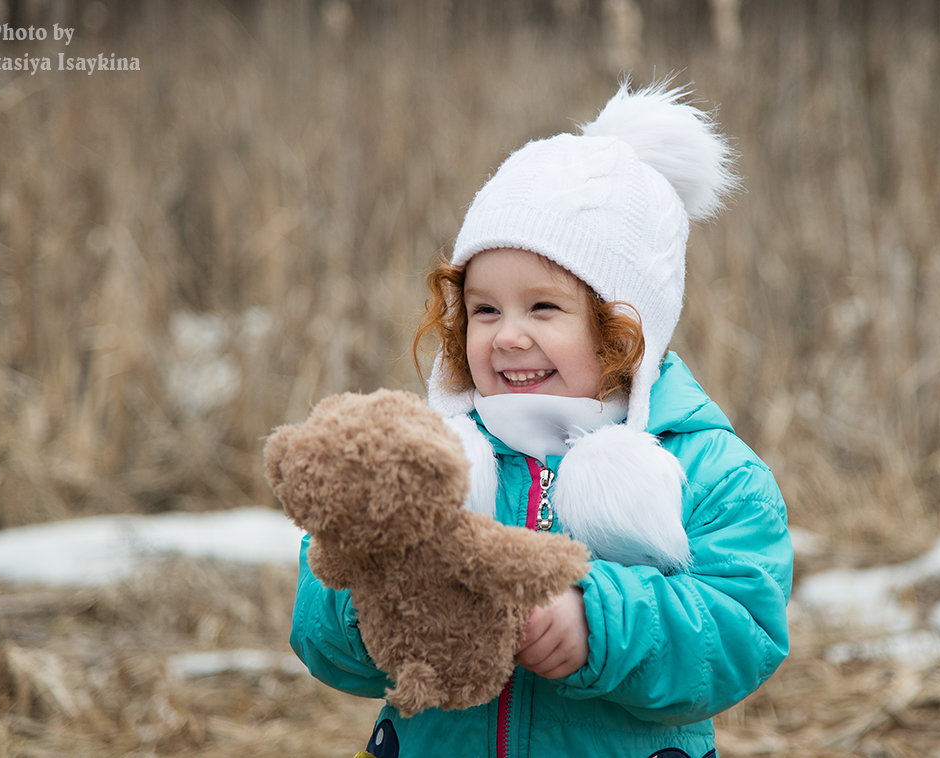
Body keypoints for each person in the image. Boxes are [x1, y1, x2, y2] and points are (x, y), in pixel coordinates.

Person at [289, 79, 793, 758]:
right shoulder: (429, 456)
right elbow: (322, 635)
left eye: (544, 309)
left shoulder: (705, 468)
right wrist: (382, 601)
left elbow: (740, 633)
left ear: (624, 327)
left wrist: (601, 622)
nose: (507, 336)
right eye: (485, 309)